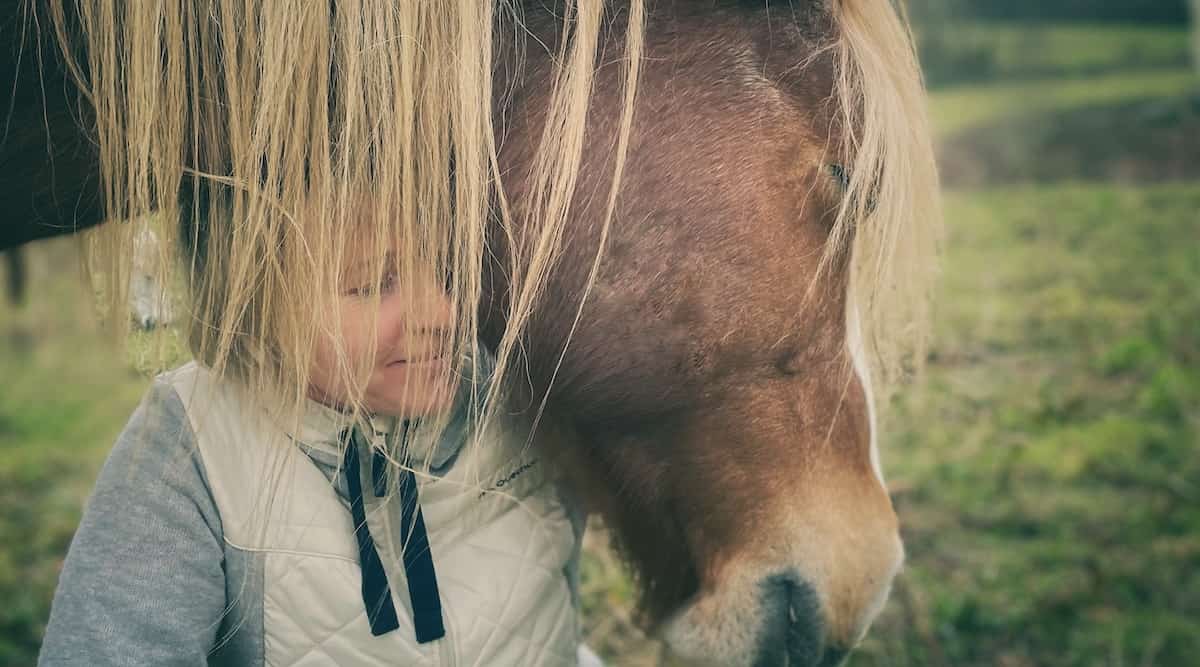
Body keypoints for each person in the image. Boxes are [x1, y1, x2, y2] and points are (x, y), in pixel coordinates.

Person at [38, 198, 603, 666]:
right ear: (258, 301)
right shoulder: (195, 438)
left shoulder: (530, 378)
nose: (444, 313)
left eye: (449, 265)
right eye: (374, 283)